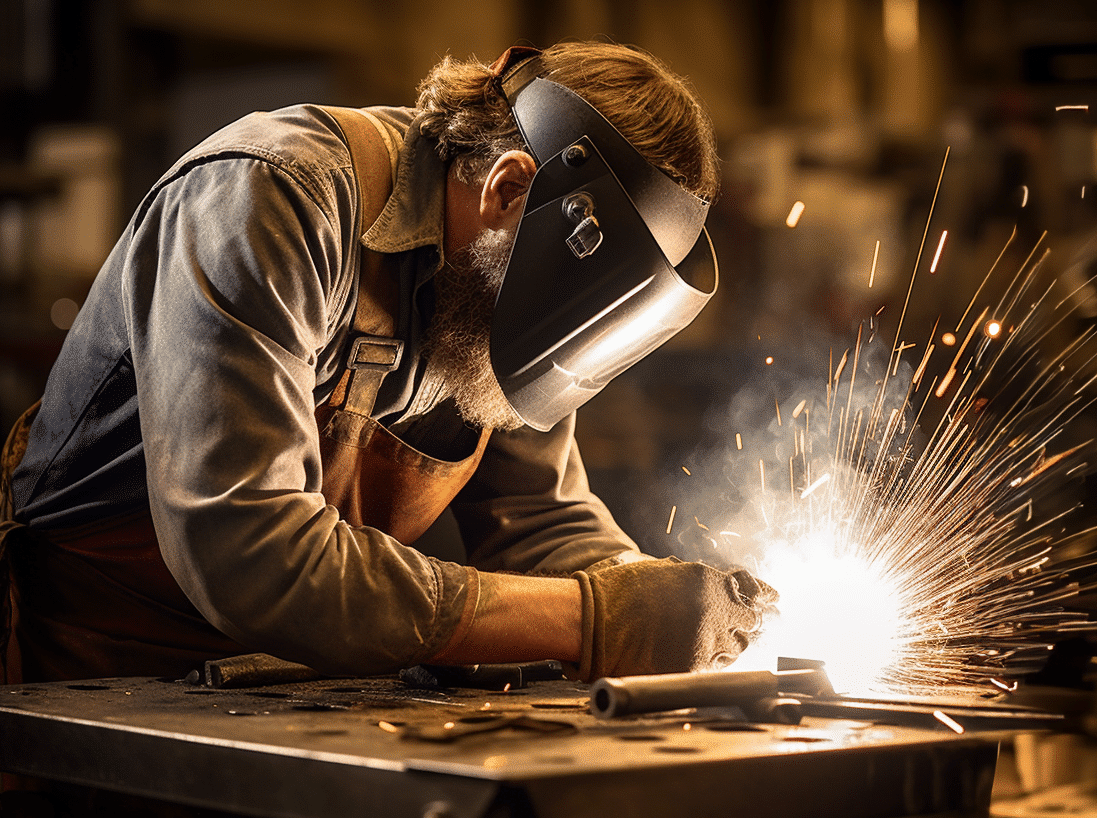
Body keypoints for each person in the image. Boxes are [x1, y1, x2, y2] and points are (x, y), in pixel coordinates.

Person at [1, 41, 775, 687]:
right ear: (511, 189)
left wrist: (665, 610)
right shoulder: (273, 199)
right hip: (104, 674)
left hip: (300, 681)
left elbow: (538, 517)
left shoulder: (510, 288)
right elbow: (252, 553)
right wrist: (593, 619)